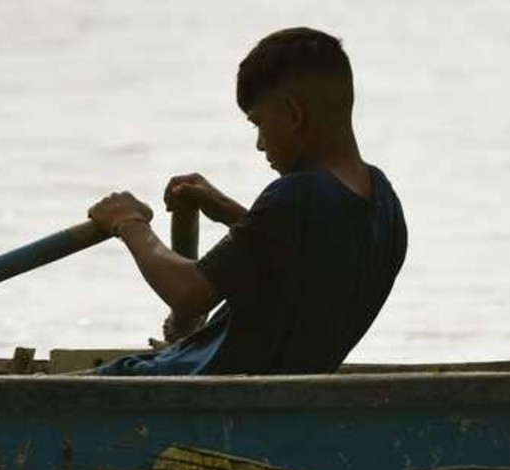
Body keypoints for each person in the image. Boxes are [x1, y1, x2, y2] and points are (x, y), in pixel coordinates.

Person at [84, 27, 407, 376]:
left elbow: (189, 293)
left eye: (259, 124)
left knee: (88, 384)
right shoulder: (384, 202)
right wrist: (230, 212)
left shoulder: (295, 195)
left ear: (293, 113)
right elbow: (307, 259)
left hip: (197, 394)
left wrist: (128, 222)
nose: (259, 144)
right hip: (288, 401)